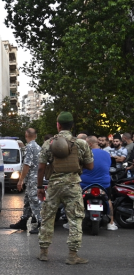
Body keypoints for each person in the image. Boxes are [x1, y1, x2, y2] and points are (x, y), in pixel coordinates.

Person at [37, 112, 94, 264]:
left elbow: (41, 168)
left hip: (54, 186)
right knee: (75, 218)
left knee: (48, 217)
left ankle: (43, 252)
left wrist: (39, 187)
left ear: (58, 125)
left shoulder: (48, 143)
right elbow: (90, 165)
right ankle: (72, 256)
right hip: (73, 185)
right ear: (72, 126)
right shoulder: (81, 143)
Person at [78, 136, 117, 230]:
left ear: (89, 144)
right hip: (104, 183)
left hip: (85, 183)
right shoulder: (107, 154)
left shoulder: (85, 154)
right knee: (108, 200)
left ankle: (72, 222)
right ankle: (111, 223)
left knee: (76, 199)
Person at [14, 128, 42, 234]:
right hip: (35, 177)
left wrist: (20, 180)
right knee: (27, 201)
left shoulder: (30, 147)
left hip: (32, 178)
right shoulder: (37, 146)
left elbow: (27, 165)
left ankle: (40, 224)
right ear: (36, 136)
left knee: (34, 201)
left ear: (26, 135)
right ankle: (24, 221)